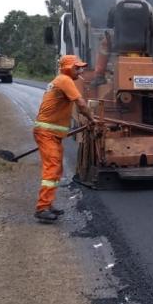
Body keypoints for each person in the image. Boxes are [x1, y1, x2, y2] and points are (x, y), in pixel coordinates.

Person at [33, 55, 97, 222]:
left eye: (81, 67)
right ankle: (42, 208)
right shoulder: (65, 80)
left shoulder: (62, 80)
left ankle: (47, 204)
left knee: (56, 169)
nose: (80, 70)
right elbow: (81, 105)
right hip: (46, 133)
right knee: (52, 168)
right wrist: (92, 119)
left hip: (51, 133)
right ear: (68, 67)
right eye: (77, 67)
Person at [97, 0, 153, 81]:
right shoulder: (148, 6)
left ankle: (99, 76)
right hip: (141, 46)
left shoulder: (118, 2)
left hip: (120, 43)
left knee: (104, 43)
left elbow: (110, 24)